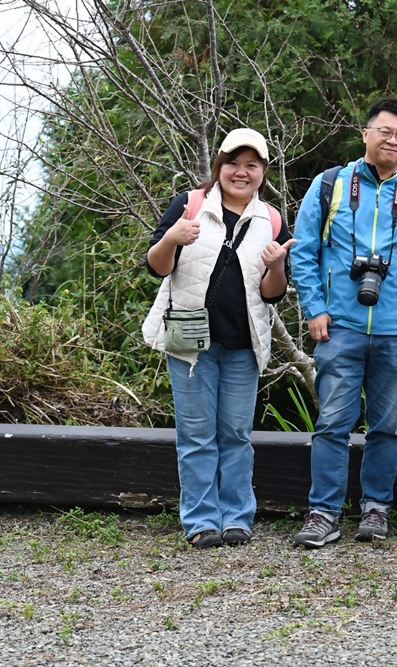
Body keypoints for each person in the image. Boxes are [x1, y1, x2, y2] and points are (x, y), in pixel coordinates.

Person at [289, 98, 397, 547]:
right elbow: (303, 252)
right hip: (339, 323)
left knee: (386, 426)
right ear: (366, 134)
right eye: (385, 131)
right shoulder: (331, 185)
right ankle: (323, 512)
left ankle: (376, 509)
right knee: (332, 424)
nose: (393, 140)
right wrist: (315, 309)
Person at [142, 128, 294, 549]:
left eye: (252, 165)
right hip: (190, 341)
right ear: (219, 166)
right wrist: (171, 239)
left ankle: (237, 518)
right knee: (196, 435)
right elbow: (156, 267)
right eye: (233, 164)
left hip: (244, 344)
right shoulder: (189, 205)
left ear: (263, 172)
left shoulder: (273, 220)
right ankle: (201, 520)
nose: (241, 173)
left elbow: (273, 293)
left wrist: (277, 266)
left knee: (236, 435)